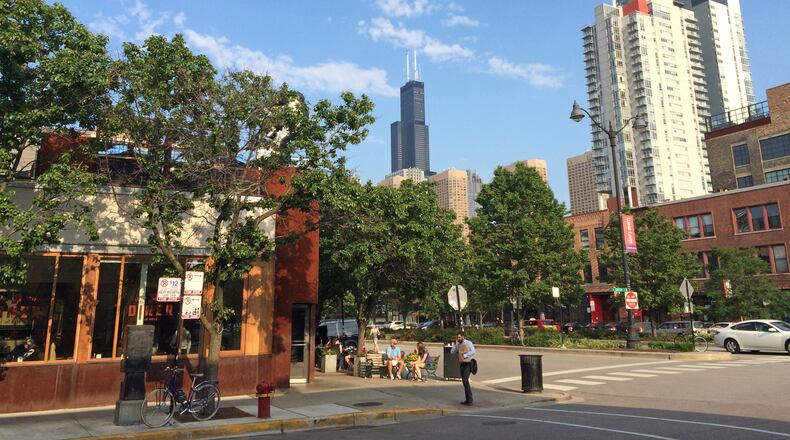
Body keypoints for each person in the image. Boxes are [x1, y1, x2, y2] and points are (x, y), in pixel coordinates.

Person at [450, 331, 476, 405]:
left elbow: (473, 351)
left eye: (459, 337)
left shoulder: (468, 343)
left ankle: (470, 399)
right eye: (457, 337)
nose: (458, 338)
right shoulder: (458, 344)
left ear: (462, 337)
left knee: (465, 381)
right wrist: (456, 345)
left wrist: (465, 356)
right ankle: (467, 399)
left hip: (468, 363)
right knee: (464, 382)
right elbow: (452, 352)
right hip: (462, 363)